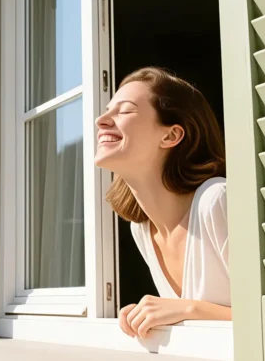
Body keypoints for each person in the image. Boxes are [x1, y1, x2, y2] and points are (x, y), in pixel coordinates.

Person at [94, 67, 231, 339]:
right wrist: (149, 315)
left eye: (125, 110)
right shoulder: (143, 230)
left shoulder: (217, 201)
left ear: (170, 136)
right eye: (107, 110)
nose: (101, 120)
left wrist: (187, 309)